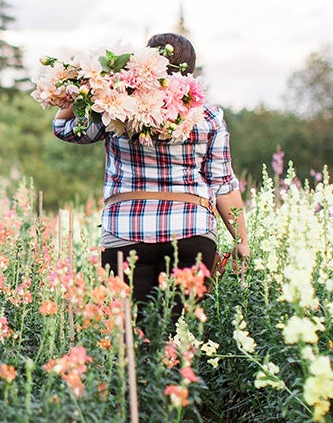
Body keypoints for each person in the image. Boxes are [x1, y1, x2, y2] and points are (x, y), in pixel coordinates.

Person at [52, 32, 249, 318]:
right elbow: (223, 184)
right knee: (178, 332)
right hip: (191, 231)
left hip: (126, 231)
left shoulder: (116, 107)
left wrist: (89, 87)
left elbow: (66, 130)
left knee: (133, 333)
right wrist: (240, 240)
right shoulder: (207, 117)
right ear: (189, 72)